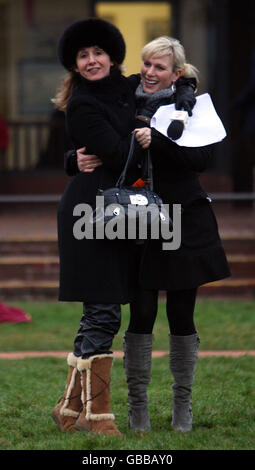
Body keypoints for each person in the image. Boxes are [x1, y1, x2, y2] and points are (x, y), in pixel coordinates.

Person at [77, 36, 231, 434]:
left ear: (176, 73)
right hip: (135, 222)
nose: (148, 71)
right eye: (146, 63)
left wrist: (157, 140)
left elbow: (199, 159)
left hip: (183, 220)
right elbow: (88, 126)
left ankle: (184, 406)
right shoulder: (123, 98)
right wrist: (70, 158)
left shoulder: (194, 106)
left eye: (159, 67)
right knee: (141, 315)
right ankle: (138, 410)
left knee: (181, 316)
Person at [51, 19, 196, 437]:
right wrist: (74, 158)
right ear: (75, 66)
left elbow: (168, 77)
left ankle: (68, 409)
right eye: (83, 56)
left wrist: (184, 93)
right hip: (88, 214)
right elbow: (116, 154)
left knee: (102, 311)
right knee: (103, 309)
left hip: (120, 214)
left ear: (113, 57)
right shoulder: (82, 104)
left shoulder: (130, 86)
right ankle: (100, 418)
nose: (92, 60)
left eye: (98, 52)